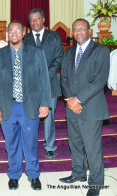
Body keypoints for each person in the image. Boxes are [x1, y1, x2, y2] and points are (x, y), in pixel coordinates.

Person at [0, 20, 51, 191]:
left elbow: (44, 80)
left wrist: (45, 103)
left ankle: (33, 174)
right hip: (7, 106)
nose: (14, 34)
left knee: (30, 142)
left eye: (18, 31)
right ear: (8, 33)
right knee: (11, 143)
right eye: (11, 31)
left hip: (29, 105)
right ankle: (14, 174)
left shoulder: (37, 52)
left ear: (24, 32)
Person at [59, 19, 110, 196]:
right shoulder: (68, 53)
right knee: (75, 144)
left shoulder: (101, 50)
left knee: (92, 148)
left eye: (82, 29)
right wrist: (71, 101)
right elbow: (64, 79)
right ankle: (78, 173)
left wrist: (78, 100)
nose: (78, 32)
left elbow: (100, 80)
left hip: (91, 107)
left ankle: (95, 184)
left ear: (89, 30)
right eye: (75, 29)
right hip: (71, 107)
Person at [24, 8, 63, 159]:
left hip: (51, 83)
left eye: (37, 19)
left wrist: (46, 76)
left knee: (49, 117)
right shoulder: (25, 38)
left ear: (43, 19)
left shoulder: (54, 36)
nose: (35, 22)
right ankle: (30, 145)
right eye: (32, 20)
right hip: (30, 85)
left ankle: (50, 146)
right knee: (30, 115)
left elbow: (59, 57)